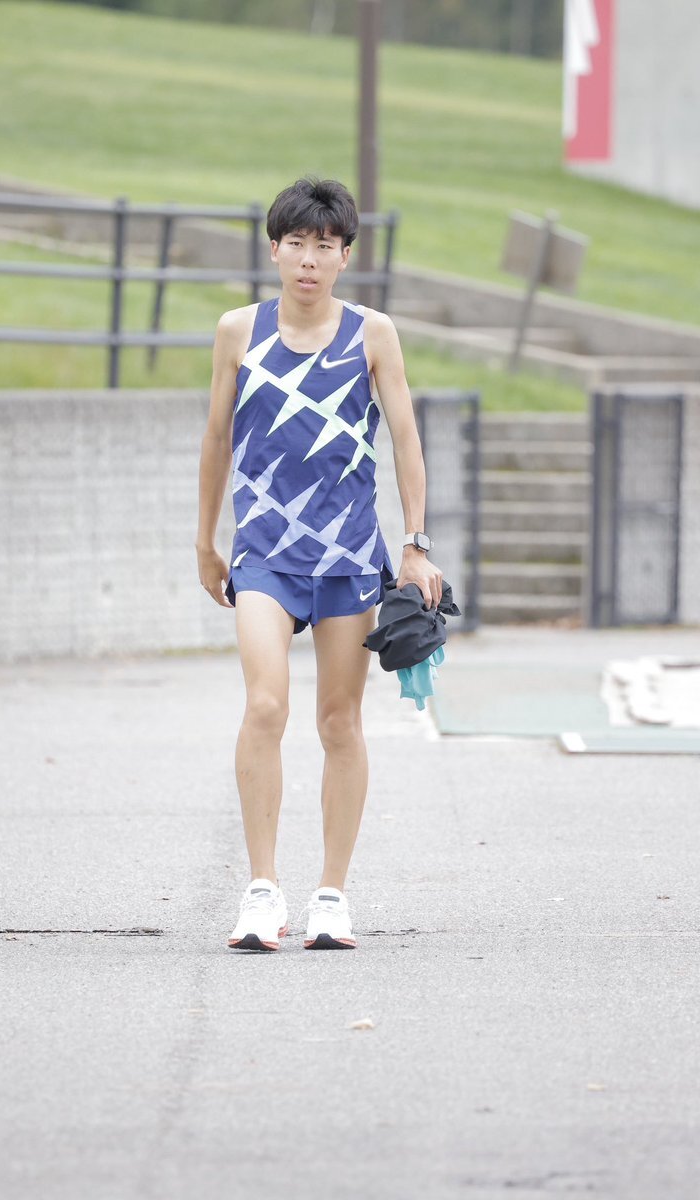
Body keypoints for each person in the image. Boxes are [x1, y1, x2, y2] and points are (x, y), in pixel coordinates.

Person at [196, 177, 443, 952]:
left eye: (325, 246)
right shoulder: (238, 331)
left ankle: (331, 895)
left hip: (346, 557)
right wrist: (205, 541)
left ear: (345, 257)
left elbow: (406, 438)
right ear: (274, 250)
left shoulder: (374, 335)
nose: (309, 259)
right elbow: (216, 438)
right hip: (264, 553)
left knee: (340, 721)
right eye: (296, 243)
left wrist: (415, 545)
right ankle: (262, 891)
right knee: (266, 706)